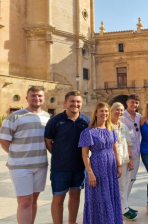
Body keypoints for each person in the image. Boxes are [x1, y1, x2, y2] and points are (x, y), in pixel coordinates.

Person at [0, 86, 50, 224]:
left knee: (33, 200)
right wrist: (15, 155)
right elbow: (3, 139)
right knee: (25, 201)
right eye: (33, 95)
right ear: (27, 98)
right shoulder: (15, 116)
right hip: (20, 167)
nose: (37, 98)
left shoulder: (47, 117)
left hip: (40, 165)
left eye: (39, 96)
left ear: (44, 98)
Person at [44, 91, 90, 224]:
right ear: (65, 103)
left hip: (79, 167)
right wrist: (60, 154)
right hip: (60, 167)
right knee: (58, 198)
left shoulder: (86, 121)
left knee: (75, 196)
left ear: (81, 104)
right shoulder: (55, 121)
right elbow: (48, 142)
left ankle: (72, 222)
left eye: (78, 102)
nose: (75, 104)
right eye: (72, 101)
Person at [79, 102, 122, 224]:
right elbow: (85, 155)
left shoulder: (111, 129)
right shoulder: (88, 132)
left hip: (111, 167)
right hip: (97, 167)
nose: (104, 113)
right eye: (102, 111)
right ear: (96, 113)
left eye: (106, 111)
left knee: (110, 195)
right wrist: (90, 173)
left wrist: (118, 166)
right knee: (99, 196)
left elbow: (115, 149)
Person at [110, 102, 136, 220]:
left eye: (121, 110)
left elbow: (128, 144)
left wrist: (130, 159)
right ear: (111, 110)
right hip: (112, 161)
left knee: (124, 184)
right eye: (116, 110)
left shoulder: (124, 126)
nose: (119, 112)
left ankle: (124, 208)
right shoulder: (107, 127)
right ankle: (118, 209)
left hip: (124, 160)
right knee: (113, 186)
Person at [119, 94, 141, 215]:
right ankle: (123, 207)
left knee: (131, 179)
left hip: (136, 153)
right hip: (124, 154)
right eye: (132, 102)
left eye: (136, 103)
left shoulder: (139, 116)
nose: (134, 105)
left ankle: (125, 205)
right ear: (127, 102)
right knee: (123, 181)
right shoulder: (121, 116)